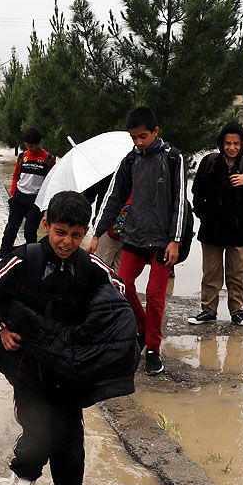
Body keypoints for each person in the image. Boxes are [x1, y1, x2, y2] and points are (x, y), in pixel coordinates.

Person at [0, 191, 138, 485]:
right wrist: (2, 328)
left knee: (67, 431)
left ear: (85, 232)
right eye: (60, 232)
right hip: (28, 362)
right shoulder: (24, 260)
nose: (67, 241)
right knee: (36, 426)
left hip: (69, 367)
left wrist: (95, 340)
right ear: (46, 226)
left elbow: (116, 298)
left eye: (76, 235)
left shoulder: (92, 268)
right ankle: (23, 479)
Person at [86, 106, 189, 377]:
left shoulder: (173, 159)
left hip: (162, 242)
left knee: (155, 296)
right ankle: (141, 328)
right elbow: (113, 197)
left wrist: (175, 240)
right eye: (133, 138)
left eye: (143, 136)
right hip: (133, 238)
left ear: (156, 131)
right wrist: (97, 233)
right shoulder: (130, 161)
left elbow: (180, 202)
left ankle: (153, 348)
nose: (138, 142)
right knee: (121, 286)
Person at [187, 121, 243, 327]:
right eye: (228, 143)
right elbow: (197, 192)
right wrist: (202, 213)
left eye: (236, 143)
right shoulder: (209, 162)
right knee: (210, 273)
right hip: (211, 229)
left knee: (237, 275)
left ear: (242, 144)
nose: (232, 147)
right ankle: (208, 311)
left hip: (238, 231)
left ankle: (238, 312)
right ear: (221, 143)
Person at [0, 128, 55, 258]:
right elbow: (16, 176)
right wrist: (13, 194)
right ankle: (3, 256)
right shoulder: (23, 156)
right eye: (27, 146)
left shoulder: (49, 159)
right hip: (19, 197)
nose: (30, 148)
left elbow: (51, 181)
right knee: (11, 229)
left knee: (29, 231)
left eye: (32, 146)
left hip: (36, 200)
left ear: (39, 143)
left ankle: (32, 256)